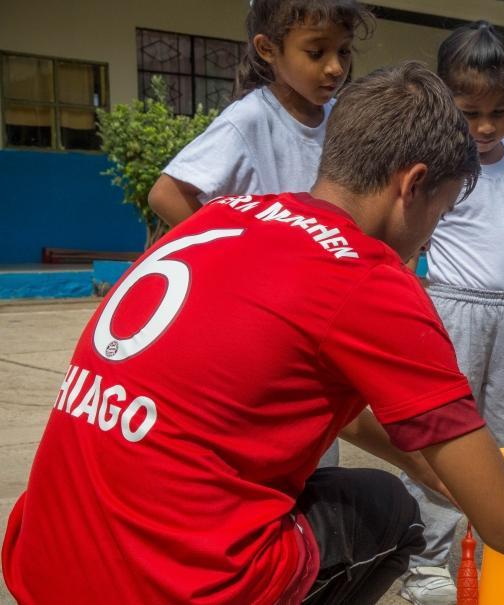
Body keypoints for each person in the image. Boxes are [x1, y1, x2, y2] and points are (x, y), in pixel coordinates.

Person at [2, 62, 504, 605]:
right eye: (441, 212)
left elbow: (311, 392)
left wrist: (423, 462)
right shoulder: (367, 278)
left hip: (47, 561)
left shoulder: (223, 217)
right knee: (389, 510)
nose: (428, 238)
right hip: (169, 585)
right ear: (413, 185)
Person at [148, 0, 373, 468]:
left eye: (344, 52)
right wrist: (236, 257)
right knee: (268, 448)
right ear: (268, 50)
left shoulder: (341, 119)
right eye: (316, 52)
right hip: (264, 322)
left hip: (317, 316)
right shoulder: (249, 120)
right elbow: (167, 194)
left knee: (316, 452)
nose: (334, 67)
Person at [397, 21, 504, 603]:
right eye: (471, 113)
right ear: (446, 102)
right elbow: (405, 239)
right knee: (445, 436)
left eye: (501, 110)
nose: (487, 127)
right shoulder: (434, 163)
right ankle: (426, 559)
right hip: (452, 312)